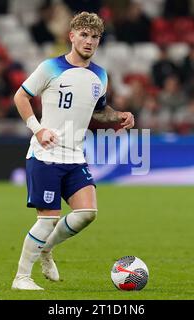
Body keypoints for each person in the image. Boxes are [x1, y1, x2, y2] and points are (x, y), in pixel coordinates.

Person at [12, 11, 135, 290]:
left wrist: (118, 116)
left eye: (94, 37)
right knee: (47, 220)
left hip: (75, 156)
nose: (89, 41)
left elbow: (99, 112)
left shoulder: (100, 75)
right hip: (46, 155)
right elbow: (21, 96)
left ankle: (46, 249)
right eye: (84, 35)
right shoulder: (50, 67)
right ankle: (21, 278)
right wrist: (37, 128)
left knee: (88, 213)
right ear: (71, 36)